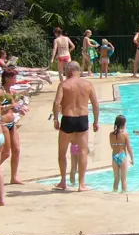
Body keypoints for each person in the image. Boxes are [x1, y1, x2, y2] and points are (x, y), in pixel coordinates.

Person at [52, 61, 99, 192]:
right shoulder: (88, 84)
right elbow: (95, 105)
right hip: (82, 119)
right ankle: (81, 184)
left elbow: (57, 103)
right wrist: (96, 121)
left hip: (68, 118)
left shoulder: (64, 84)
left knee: (62, 152)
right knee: (83, 151)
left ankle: (63, 181)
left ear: (69, 71)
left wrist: (56, 119)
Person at [0, 68, 27, 185]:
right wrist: (11, 105)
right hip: (3, 123)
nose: (15, 80)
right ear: (6, 78)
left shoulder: (12, 92)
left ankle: (14, 177)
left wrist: (19, 109)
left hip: (11, 122)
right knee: (6, 152)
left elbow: (13, 107)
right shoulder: (0, 92)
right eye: (13, 77)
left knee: (17, 149)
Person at [110, 115, 133, 193]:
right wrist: (132, 158)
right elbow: (129, 147)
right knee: (124, 179)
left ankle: (114, 192)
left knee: (116, 179)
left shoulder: (111, 134)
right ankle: (123, 193)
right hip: (122, 156)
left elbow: (112, 146)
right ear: (124, 124)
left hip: (114, 156)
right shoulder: (125, 134)